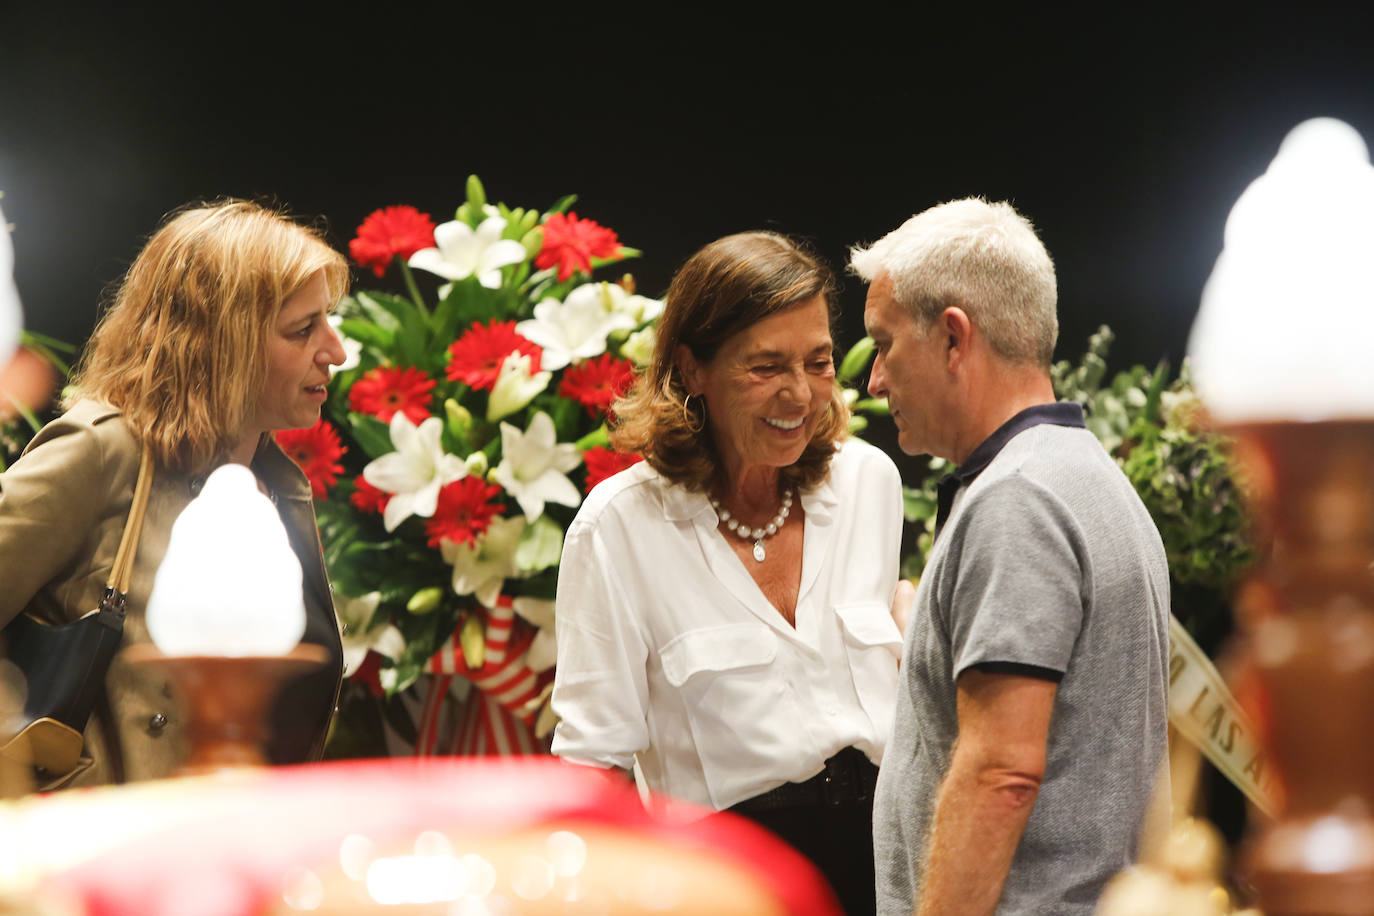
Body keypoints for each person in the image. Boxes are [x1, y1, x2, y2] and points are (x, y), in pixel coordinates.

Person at [551, 231, 905, 914]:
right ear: (692, 370)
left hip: (885, 869)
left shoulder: (870, 484)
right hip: (728, 884)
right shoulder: (619, 526)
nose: (800, 393)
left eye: (819, 361)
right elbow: (593, 768)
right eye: (765, 366)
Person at [855, 198, 1171, 915]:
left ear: (954, 338)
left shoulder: (1018, 500)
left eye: (885, 343)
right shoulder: (1086, 474)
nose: (874, 380)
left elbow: (1002, 770)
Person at [0, 199, 349, 788]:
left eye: (328, 320)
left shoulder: (281, 483)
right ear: (224, 342)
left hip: (244, 839)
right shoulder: (103, 452)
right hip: (106, 855)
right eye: (302, 329)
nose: (335, 351)